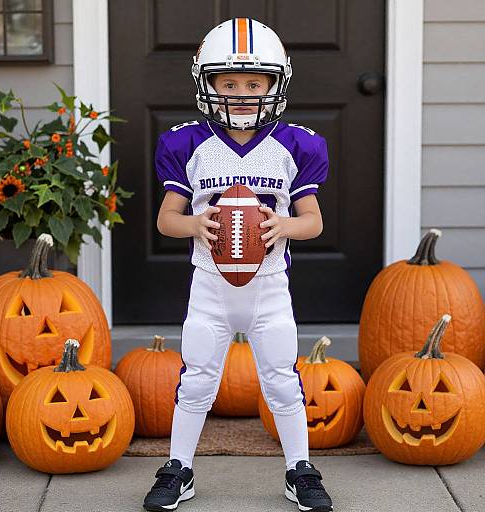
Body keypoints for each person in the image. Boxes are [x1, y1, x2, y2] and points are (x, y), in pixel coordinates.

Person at [143, 17, 333, 512]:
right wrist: (196, 224)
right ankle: (179, 467)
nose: (242, 93)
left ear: (275, 84)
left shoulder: (296, 145)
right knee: (198, 378)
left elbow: (312, 221)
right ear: (207, 84)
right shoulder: (188, 143)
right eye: (229, 83)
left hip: (270, 287)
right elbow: (167, 219)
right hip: (209, 287)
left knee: (282, 380)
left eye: (254, 83)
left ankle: (299, 468)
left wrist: (283, 226)